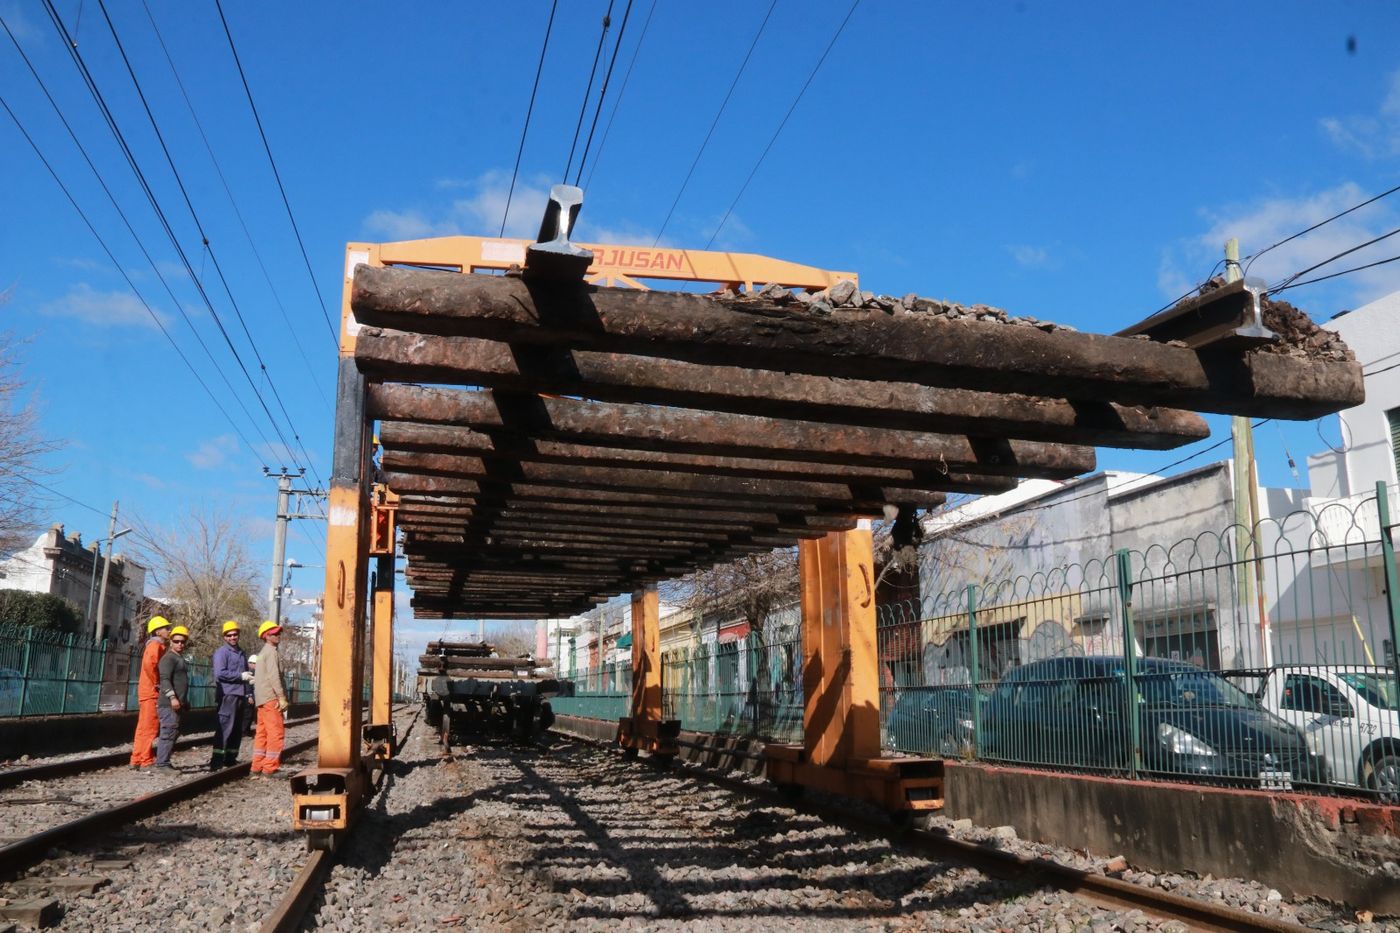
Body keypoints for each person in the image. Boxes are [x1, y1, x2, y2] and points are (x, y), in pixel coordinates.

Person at [210, 621, 253, 769]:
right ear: (224, 637)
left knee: (236, 729)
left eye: (235, 634)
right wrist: (240, 676)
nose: (233, 637)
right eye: (229, 635)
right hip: (228, 695)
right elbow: (220, 673)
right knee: (225, 727)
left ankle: (230, 758)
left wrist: (248, 692)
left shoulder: (241, 653)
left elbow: (245, 675)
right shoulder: (222, 653)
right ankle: (216, 761)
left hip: (240, 695)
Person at [129, 616, 171, 769]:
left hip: (147, 691)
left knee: (143, 727)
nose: (168, 630)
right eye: (166, 628)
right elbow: (150, 665)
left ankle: (136, 759)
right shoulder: (155, 646)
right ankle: (146, 760)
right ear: (158, 631)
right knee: (150, 727)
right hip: (151, 692)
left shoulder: (154, 645)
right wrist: (157, 683)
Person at [251, 621, 289, 775]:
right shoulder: (271, 652)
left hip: (261, 699)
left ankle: (257, 766)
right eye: (274, 633)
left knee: (262, 733)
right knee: (275, 733)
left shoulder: (261, 653)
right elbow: (274, 677)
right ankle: (270, 768)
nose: (278, 635)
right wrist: (281, 697)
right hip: (271, 698)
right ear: (267, 636)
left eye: (278, 633)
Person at [154, 625, 190, 770]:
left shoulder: (179, 658)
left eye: (182, 641)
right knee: (168, 732)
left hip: (177, 704)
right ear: (171, 641)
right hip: (168, 704)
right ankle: (162, 763)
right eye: (176, 641)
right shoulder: (168, 658)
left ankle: (164, 761)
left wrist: (184, 701)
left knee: (173, 732)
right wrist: (172, 698)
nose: (180, 644)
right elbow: (164, 679)